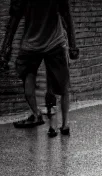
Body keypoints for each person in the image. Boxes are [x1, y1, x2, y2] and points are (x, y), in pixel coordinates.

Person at [0, 0, 78, 135]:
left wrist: (4, 53)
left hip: (38, 44)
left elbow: (13, 22)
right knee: (58, 85)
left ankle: (42, 117)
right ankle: (58, 122)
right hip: (46, 43)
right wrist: (73, 45)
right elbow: (66, 14)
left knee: (41, 82)